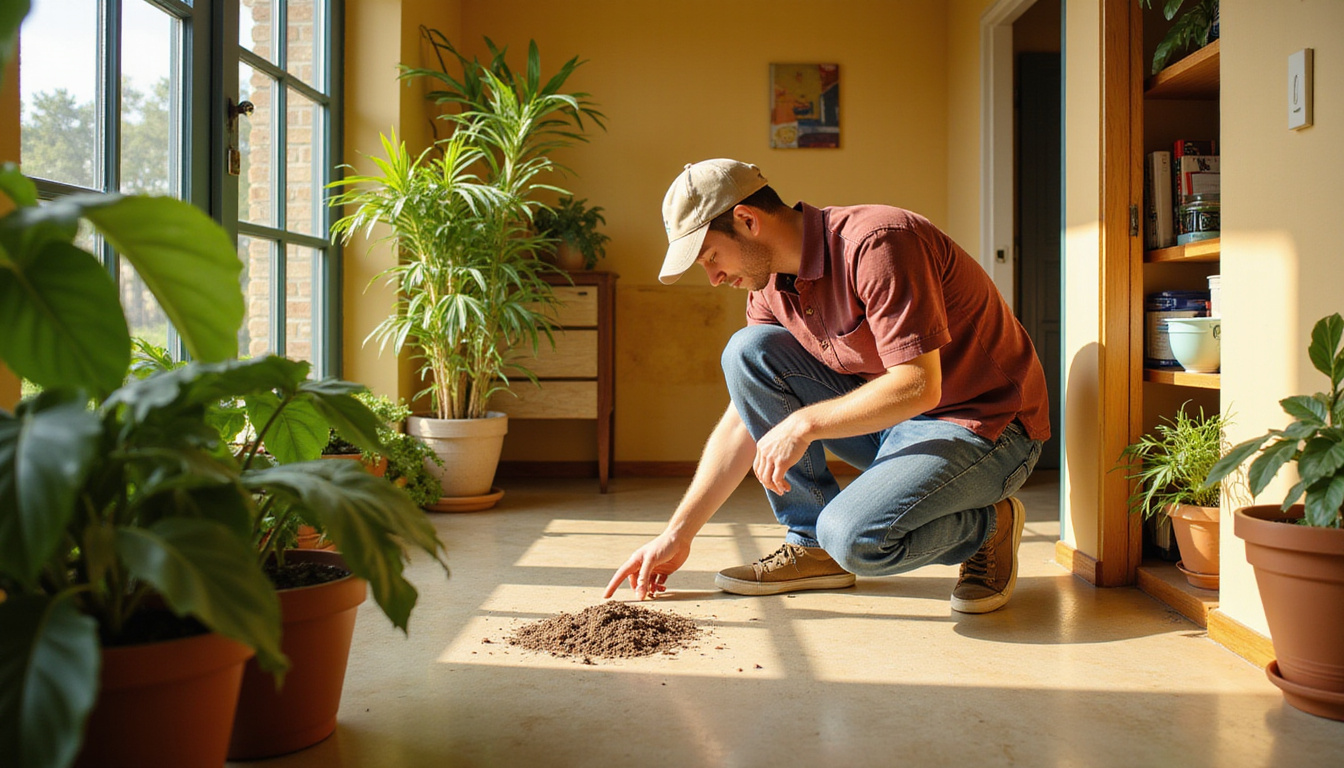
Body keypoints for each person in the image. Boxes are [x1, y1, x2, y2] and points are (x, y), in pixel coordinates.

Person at [604, 159, 1050, 614]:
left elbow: (919, 386)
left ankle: (989, 527)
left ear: (747, 220)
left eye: (712, 257)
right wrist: (678, 534)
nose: (714, 277)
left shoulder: (880, 243)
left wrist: (805, 423)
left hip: (984, 427)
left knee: (855, 538)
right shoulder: (769, 288)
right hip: (896, 424)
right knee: (747, 351)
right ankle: (811, 547)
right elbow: (746, 417)